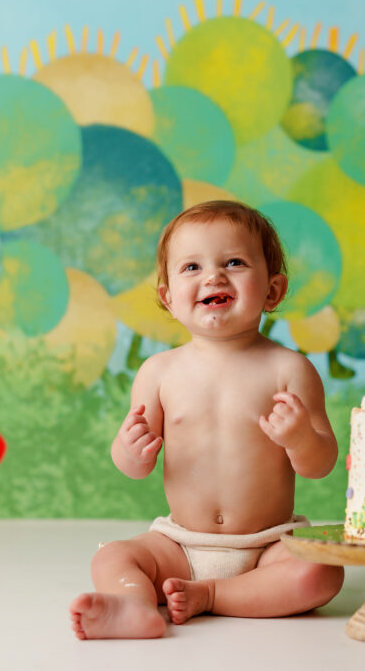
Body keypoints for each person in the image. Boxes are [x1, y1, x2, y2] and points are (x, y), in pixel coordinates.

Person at [69, 200, 344, 640]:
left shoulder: (289, 370)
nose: (213, 277)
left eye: (234, 262)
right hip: (180, 543)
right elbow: (133, 467)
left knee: (321, 574)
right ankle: (133, 607)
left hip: (267, 544)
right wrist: (130, 449)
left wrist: (298, 438)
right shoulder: (159, 373)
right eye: (191, 267)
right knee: (112, 557)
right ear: (168, 297)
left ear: (273, 291)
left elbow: (321, 461)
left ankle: (213, 595)